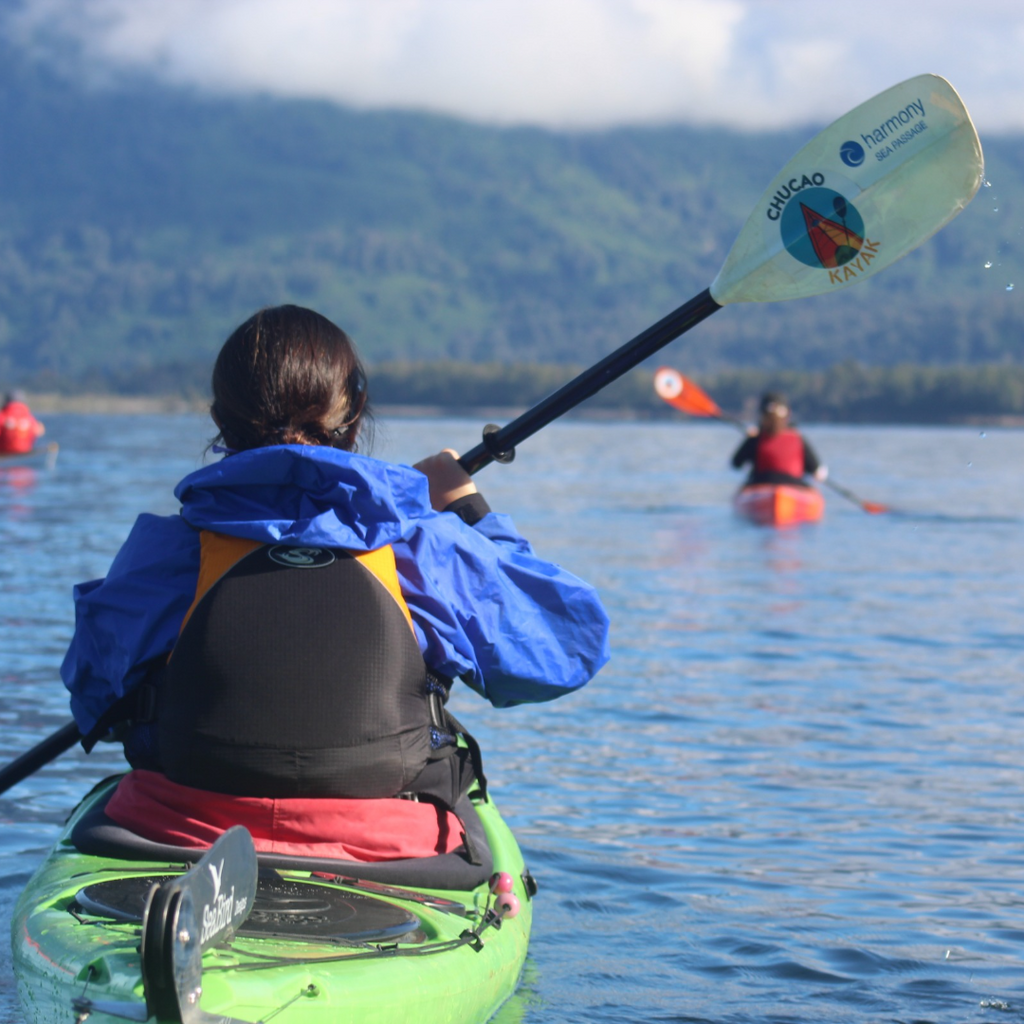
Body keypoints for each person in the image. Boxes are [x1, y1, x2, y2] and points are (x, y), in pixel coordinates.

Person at [61, 304, 610, 862]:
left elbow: (93, 700)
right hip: (388, 845)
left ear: (219, 419)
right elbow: (565, 652)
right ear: (356, 418)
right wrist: (467, 511)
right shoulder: (419, 545)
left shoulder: (167, 550)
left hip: (182, 832)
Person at [730, 391, 827, 488]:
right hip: (792, 487)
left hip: (762, 485)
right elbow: (817, 471)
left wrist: (749, 439)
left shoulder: (756, 439)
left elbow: (736, 463)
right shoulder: (797, 438)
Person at [0, 390, 45, 455]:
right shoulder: (30, 418)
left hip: (4, 454)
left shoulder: (2, 416)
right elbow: (40, 430)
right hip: (25, 454)